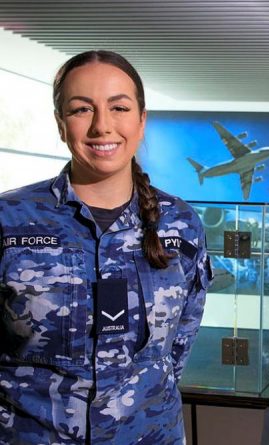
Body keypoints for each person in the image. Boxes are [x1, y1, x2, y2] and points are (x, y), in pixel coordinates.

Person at [0, 50, 211, 444]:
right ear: (61, 125)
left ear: (141, 120)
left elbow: (176, 348)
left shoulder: (181, 226)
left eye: (119, 107)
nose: (102, 126)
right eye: (82, 109)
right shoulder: (9, 219)